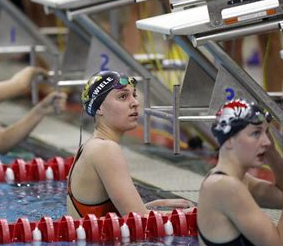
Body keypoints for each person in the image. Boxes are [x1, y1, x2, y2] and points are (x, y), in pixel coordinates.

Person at [67, 70, 192, 219]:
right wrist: (191, 214)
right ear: (99, 108)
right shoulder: (105, 149)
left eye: (134, 95)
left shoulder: (89, 146)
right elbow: (139, 219)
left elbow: (110, 215)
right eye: (122, 96)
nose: (135, 103)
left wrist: (157, 203)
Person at [198, 99, 283, 246]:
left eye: (267, 133)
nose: (267, 141)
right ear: (229, 140)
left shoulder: (238, 181)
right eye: (256, 133)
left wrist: (271, 152)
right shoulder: (225, 187)